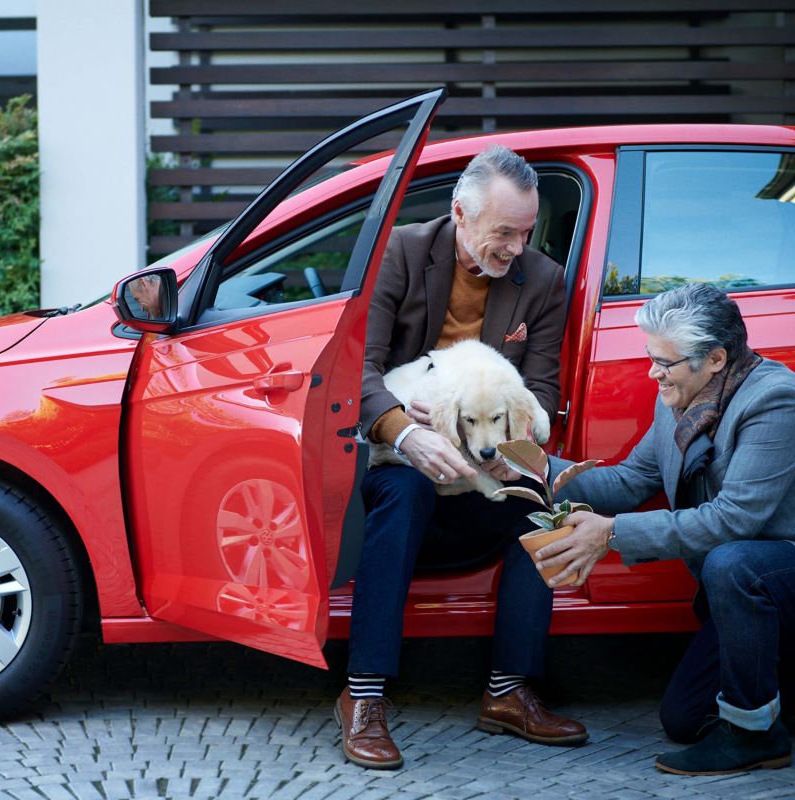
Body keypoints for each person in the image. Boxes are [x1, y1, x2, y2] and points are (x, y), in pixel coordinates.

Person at [334, 145, 588, 770]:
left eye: (526, 232)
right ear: (460, 214)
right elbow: (358, 366)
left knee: (540, 505)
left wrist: (516, 458)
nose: (516, 248)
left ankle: (509, 691)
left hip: (485, 470)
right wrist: (402, 432)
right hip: (402, 469)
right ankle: (362, 695)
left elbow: (544, 393)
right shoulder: (400, 250)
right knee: (406, 491)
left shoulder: (544, 280)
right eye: (504, 233)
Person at [534, 283, 795, 776]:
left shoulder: (775, 400)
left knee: (732, 560)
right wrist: (533, 469)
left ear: (715, 358)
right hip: (739, 598)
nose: (652, 373)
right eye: (651, 357)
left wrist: (609, 534)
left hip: (775, 575)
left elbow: (734, 520)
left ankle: (755, 735)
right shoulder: (677, 397)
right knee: (684, 717)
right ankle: (767, 697)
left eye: (665, 363)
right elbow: (632, 480)